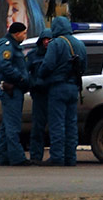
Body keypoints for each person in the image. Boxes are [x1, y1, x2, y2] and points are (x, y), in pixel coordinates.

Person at [37, 16, 87, 166]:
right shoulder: (80, 44)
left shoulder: (56, 44)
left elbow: (48, 65)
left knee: (57, 124)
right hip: (74, 88)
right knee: (71, 124)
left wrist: (41, 75)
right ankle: (70, 157)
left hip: (58, 87)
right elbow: (83, 67)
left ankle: (57, 157)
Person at [0, 22, 31, 166]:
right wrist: (20, 77)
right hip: (11, 90)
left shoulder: (15, 46)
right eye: (23, 33)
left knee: (6, 126)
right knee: (13, 126)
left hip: (15, 90)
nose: (25, 35)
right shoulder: (8, 45)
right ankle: (17, 158)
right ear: (16, 34)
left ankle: (3, 157)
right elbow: (3, 64)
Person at [25, 28, 52, 164]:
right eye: (45, 39)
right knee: (37, 127)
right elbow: (25, 72)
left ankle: (56, 155)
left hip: (53, 94)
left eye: (49, 39)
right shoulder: (33, 55)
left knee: (55, 127)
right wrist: (33, 84)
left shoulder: (55, 54)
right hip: (39, 95)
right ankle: (36, 156)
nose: (47, 42)